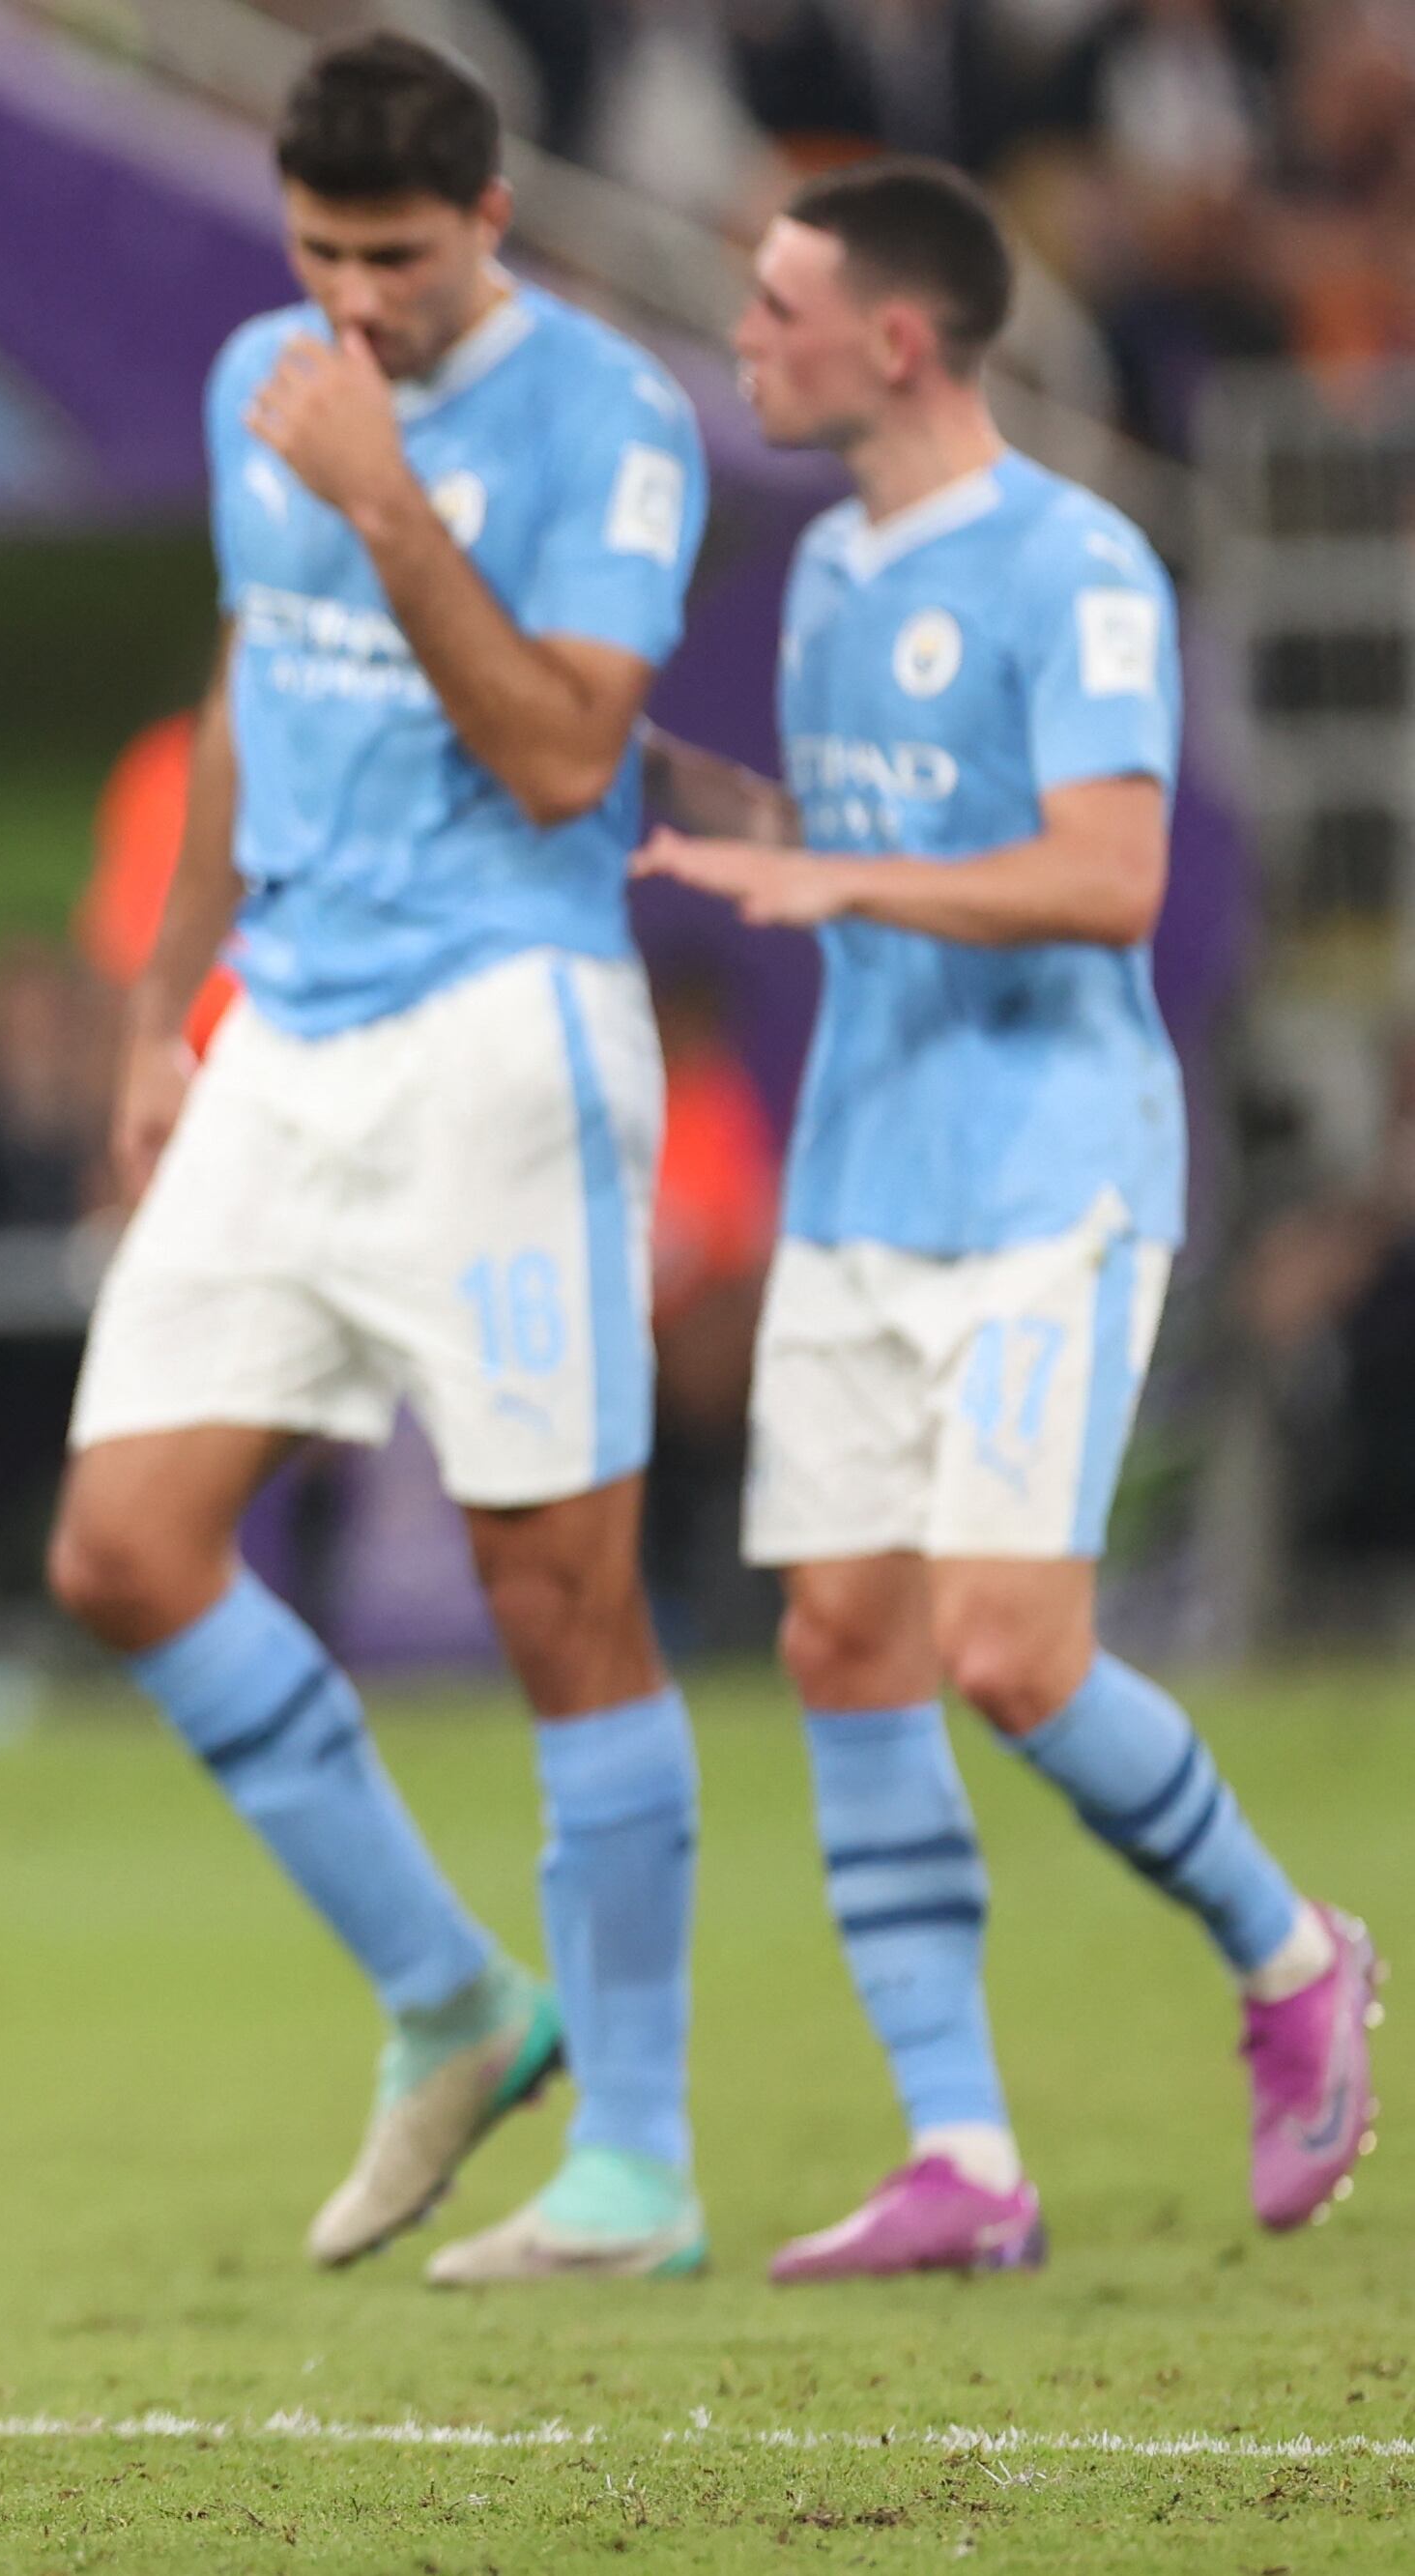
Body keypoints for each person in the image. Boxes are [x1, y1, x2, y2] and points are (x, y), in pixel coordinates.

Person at [639, 157, 1382, 2278]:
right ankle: (958, 2156)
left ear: (891, 337)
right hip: (862, 1167)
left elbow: (1104, 877)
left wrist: (834, 884)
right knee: (840, 1639)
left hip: (1046, 1168)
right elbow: (870, 832)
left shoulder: (1075, 565)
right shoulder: (827, 580)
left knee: (1003, 1644)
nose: (744, 335)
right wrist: (705, 814)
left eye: (773, 306)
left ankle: (1285, 1951)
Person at [46, 32, 715, 2283]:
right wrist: (162, 1015)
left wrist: (385, 496)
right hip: (282, 1036)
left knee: (558, 1588)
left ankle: (631, 2156)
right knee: (124, 1548)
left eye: (395, 260)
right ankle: (449, 1998)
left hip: (498, 1040)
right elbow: (259, 677)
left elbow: (557, 759)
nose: (351, 301)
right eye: (317, 251)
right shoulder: (270, 368)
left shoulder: (603, 419)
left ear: (490, 223)